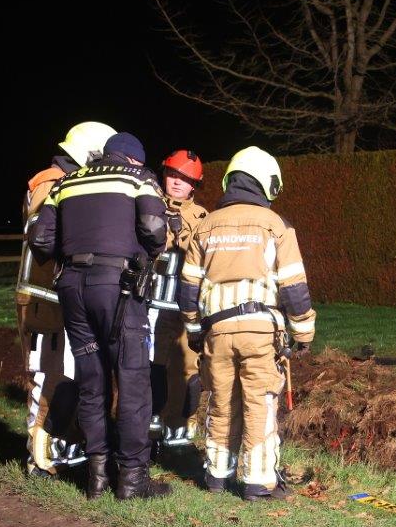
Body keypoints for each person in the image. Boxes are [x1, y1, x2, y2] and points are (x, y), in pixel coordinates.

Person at [27, 132, 171, 500]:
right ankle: (133, 480)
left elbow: (41, 240)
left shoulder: (67, 183)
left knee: (91, 378)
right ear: (134, 159)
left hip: (72, 288)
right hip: (117, 288)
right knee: (132, 377)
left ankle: (97, 478)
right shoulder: (139, 180)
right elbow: (155, 231)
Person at [178, 146, 316, 501]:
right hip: (259, 332)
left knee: (221, 403)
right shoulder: (276, 226)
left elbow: (189, 287)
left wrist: (194, 331)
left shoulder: (205, 226)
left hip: (216, 333)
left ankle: (216, 477)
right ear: (267, 183)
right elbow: (294, 287)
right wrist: (304, 333)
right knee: (259, 403)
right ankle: (258, 483)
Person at [16, 121, 115, 477]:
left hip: (60, 297)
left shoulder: (66, 182)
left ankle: (59, 447)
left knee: (68, 374)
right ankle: (39, 458)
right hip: (45, 301)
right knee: (49, 376)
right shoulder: (50, 182)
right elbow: (42, 235)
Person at [149, 150, 208, 446]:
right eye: (173, 175)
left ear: (193, 185)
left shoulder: (202, 218)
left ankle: (181, 426)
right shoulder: (147, 205)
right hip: (150, 304)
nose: (177, 182)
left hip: (184, 306)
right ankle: (150, 424)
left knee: (186, 367)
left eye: (185, 179)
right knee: (152, 365)